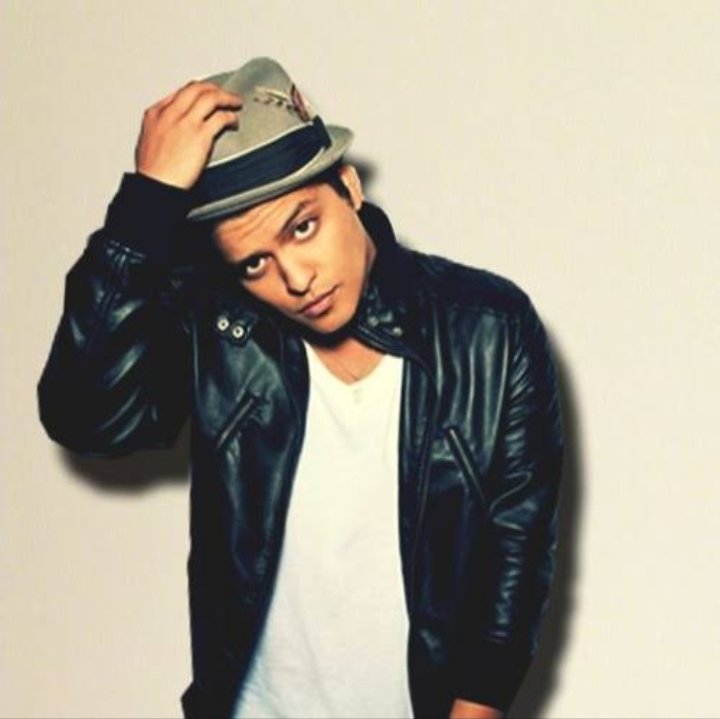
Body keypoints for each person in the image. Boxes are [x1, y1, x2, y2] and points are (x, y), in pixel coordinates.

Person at [38, 57, 564, 719]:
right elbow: (85, 416)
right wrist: (143, 211)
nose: (295, 279)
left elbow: (515, 548)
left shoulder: (488, 328)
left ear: (348, 186)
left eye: (303, 227)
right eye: (254, 263)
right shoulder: (220, 333)